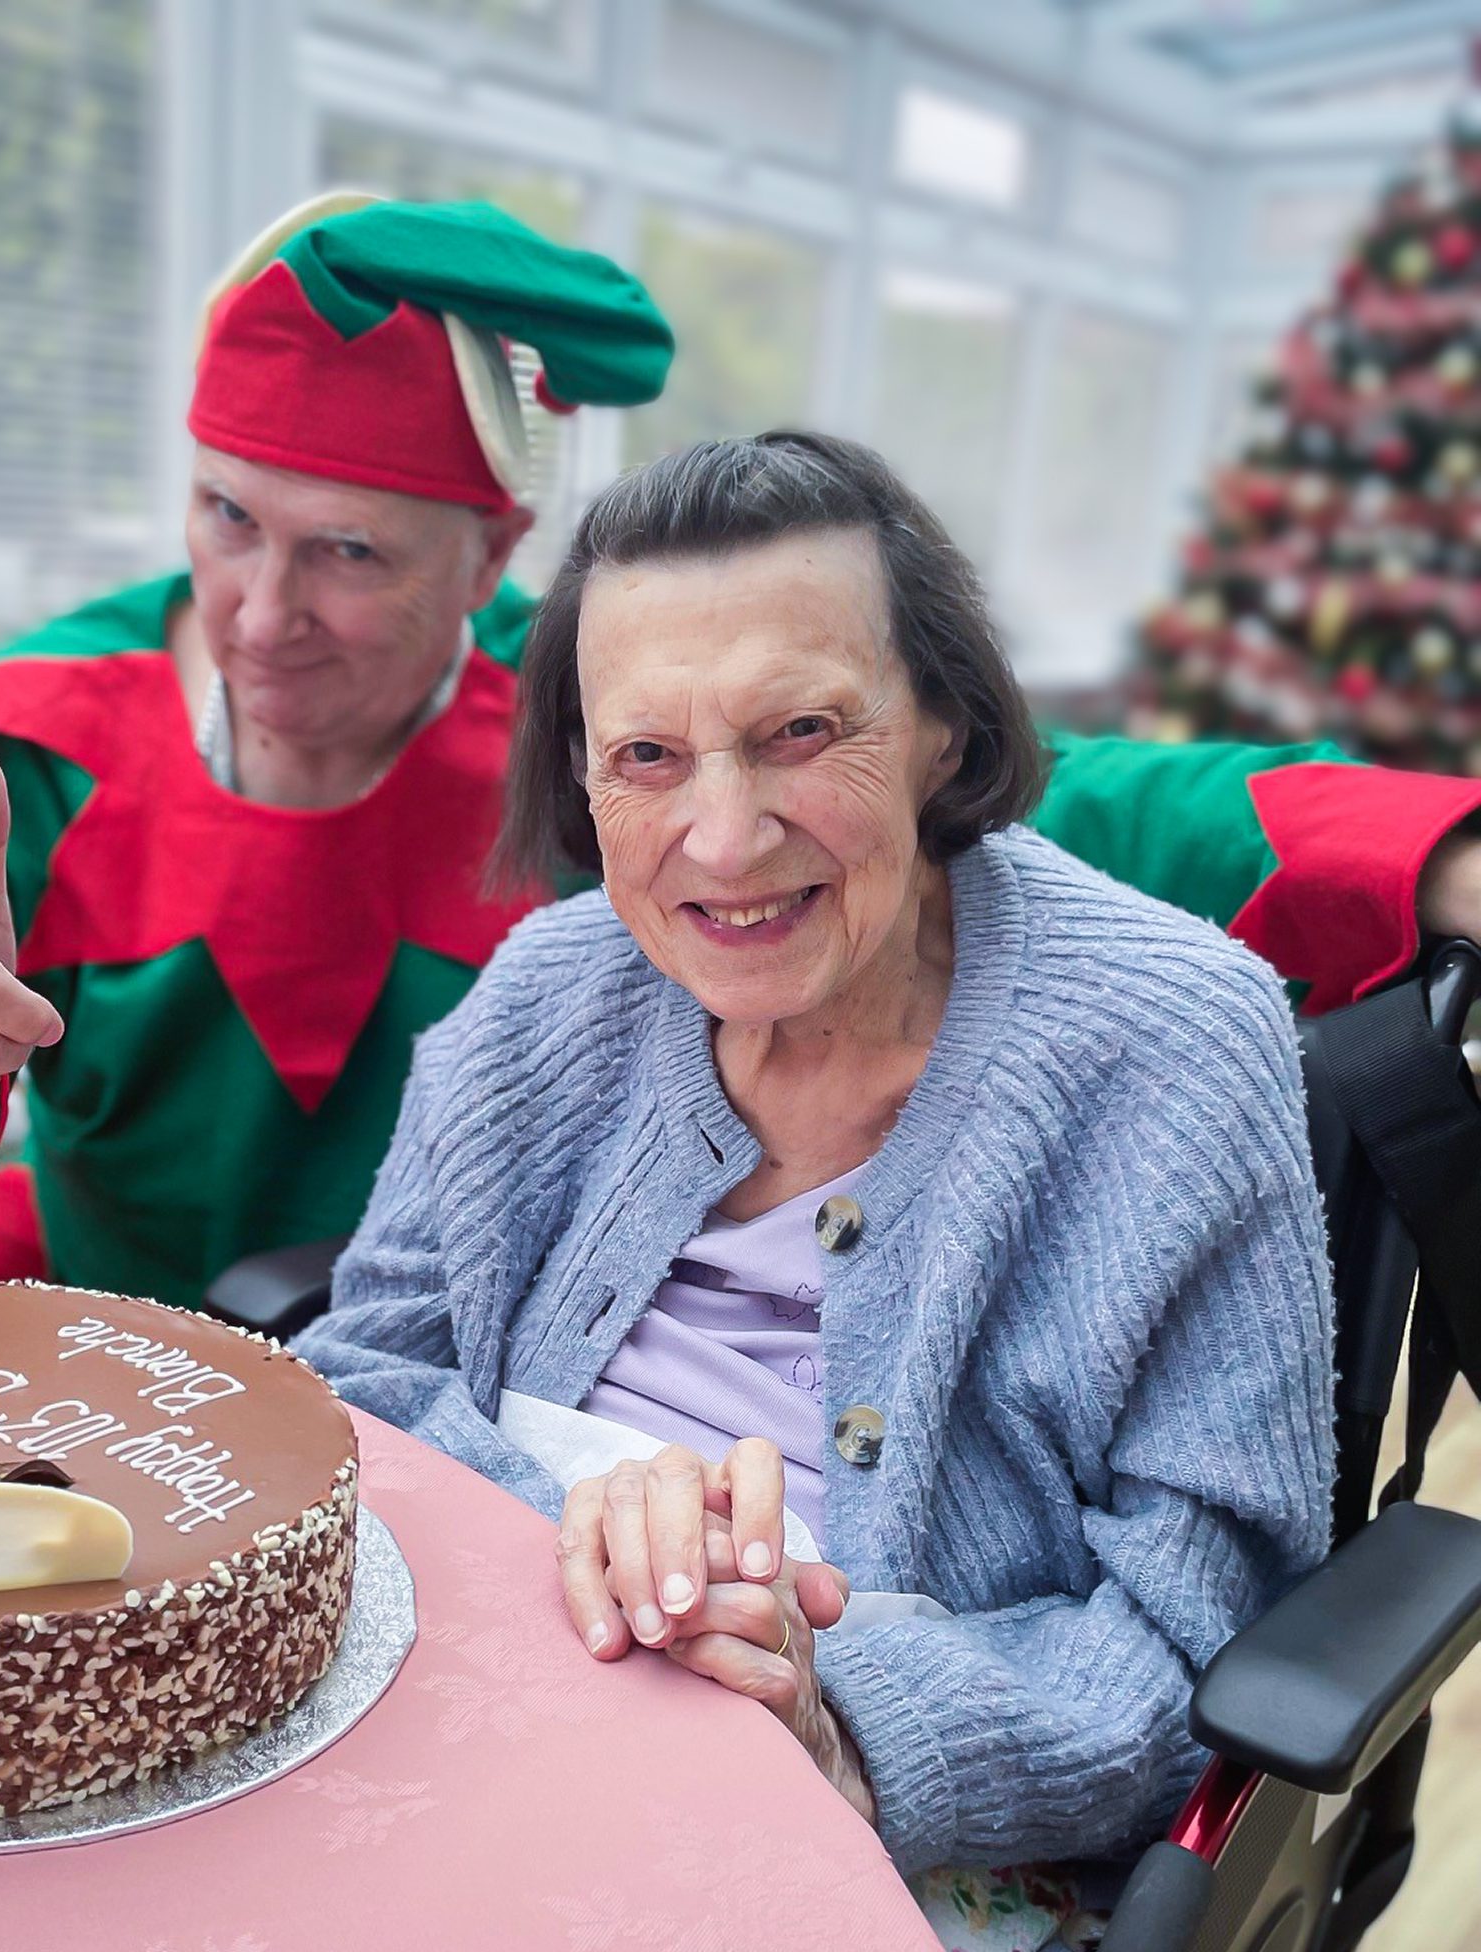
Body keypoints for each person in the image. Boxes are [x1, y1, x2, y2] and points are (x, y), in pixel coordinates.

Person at [0, 191, 1481, 1307]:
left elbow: (1040, 796)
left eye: (350, 553)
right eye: (226, 518)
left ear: (491, 563)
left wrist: (1435, 845)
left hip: (468, 1379)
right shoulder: (14, 747)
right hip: (98, 1340)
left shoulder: (603, 715)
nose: (255, 609)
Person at [294, 432, 1336, 1876]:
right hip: (477, 1705)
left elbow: (1202, 1613)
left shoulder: (1170, 1046)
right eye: (647, 758)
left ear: (943, 730)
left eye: (799, 734)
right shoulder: (548, 988)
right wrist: (609, 1549)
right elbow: (363, 1387)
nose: (723, 842)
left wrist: (837, 1717)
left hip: (911, 1825)